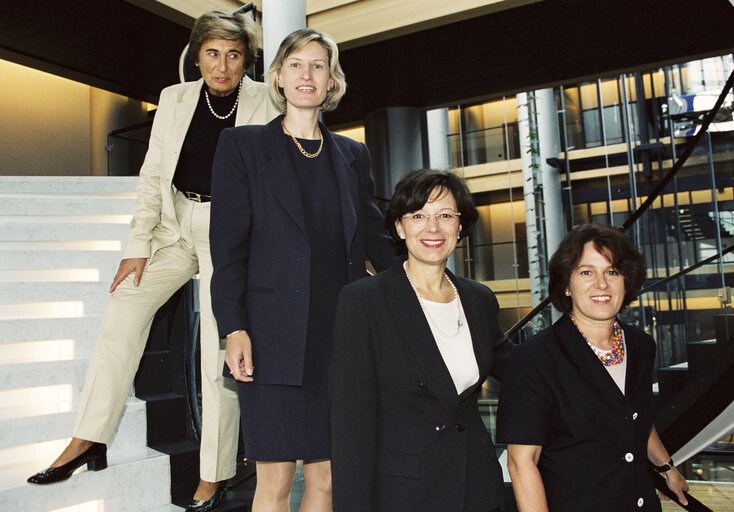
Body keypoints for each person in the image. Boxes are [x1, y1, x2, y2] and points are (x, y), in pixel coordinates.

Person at [27, 11, 279, 512]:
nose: (222, 66)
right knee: (122, 312)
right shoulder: (175, 98)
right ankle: (89, 438)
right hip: (174, 228)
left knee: (217, 354)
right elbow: (151, 176)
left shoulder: (266, 101)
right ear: (196, 54)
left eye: (234, 55)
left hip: (229, 238)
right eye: (212, 53)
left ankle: (214, 474)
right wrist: (136, 245)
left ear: (246, 59)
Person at [209, 28, 396, 512]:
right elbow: (227, 250)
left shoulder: (352, 155)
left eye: (318, 65)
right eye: (296, 64)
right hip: (271, 339)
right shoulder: (242, 147)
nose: (306, 74)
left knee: (329, 481)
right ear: (278, 77)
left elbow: (376, 236)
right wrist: (233, 326)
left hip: (339, 338)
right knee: (273, 480)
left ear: (332, 81)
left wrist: (424, 283)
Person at [329, 170, 514, 512]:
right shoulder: (363, 301)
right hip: (405, 494)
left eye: (445, 215)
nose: (433, 228)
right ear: (399, 227)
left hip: (476, 487)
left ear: (461, 226)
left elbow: (521, 371)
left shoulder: (479, 299)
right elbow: (350, 426)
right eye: (418, 216)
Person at [496, 224, 689, 512]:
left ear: (626, 281)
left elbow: (634, 417)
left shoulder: (640, 345)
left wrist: (667, 468)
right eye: (586, 272)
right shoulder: (534, 358)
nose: (601, 284)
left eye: (611, 272)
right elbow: (522, 462)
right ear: (566, 285)